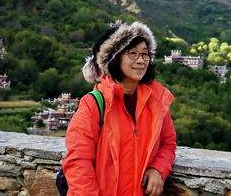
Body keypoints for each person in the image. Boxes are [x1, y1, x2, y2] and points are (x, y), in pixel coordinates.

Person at [62, 21, 177, 196]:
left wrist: (158, 168)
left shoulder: (156, 101)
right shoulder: (94, 104)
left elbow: (167, 143)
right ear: (113, 59)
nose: (141, 60)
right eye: (132, 53)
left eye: (145, 54)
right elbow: (78, 161)